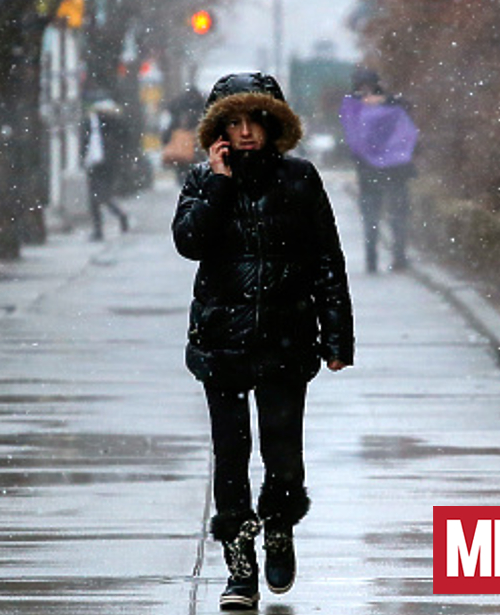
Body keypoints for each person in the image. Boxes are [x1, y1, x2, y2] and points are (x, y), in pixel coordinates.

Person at [173, 72, 355, 610]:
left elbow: (327, 259)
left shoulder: (299, 178)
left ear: (274, 125)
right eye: (234, 122)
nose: (247, 132)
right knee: (230, 457)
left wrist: (337, 336)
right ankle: (239, 564)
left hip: (284, 337)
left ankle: (278, 528)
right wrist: (220, 181)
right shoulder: (204, 179)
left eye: (255, 121)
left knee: (283, 454)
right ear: (219, 130)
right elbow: (189, 242)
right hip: (222, 342)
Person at [339, 67, 419, 273]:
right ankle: (382, 257)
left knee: (381, 214)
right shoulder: (357, 105)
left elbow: (354, 136)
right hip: (387, 170)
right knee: (381, 215)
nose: (366, 93)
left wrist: (385, 101)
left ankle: (384, 257)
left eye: (368, 87)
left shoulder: (364, 105)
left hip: (376, 171)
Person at [83, 95, 130, 241]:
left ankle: (101, 227)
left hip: (101, 163)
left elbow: (86, 142)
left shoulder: (98, 123)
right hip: (102, 163)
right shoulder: (113, 122)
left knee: (98, 196)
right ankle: (113, 219)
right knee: (100, 197)